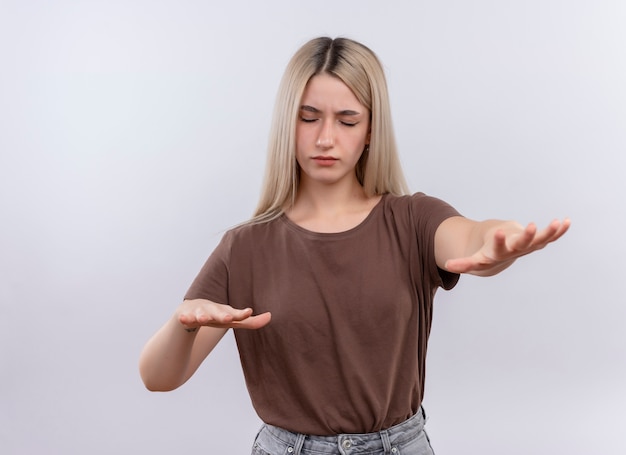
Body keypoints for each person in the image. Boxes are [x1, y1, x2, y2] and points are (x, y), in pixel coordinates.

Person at [139, 37, 570, 455]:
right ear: (286, 123)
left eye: (347, 120)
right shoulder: (245, 247)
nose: (326, 138)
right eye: (308, 117)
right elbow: (158, 378)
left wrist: (500, 241)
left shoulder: (413, 220)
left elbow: (470, 237)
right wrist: (184, 323)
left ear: (370, 131)